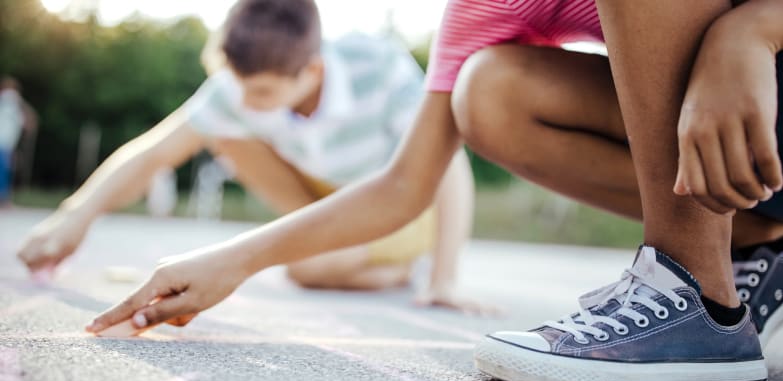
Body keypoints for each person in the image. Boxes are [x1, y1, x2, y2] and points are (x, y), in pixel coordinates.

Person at [78, 0, 783, 381]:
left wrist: (753, 27)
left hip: (777, 70)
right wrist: (235, 259)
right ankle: (763, 237)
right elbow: (403, 185)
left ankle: (695, 299)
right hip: (773, 149)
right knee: (489, 93)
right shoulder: (478, 8)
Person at [16, 0, 485, 312]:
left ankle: (398, 268)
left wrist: (445, 279)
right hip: (321, 193)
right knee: (224, 133)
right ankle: (331, 245)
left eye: (262, 92)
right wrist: (73, 216)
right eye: (239, 86)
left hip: (396, 199)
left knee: (307, 268)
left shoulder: (379, 66)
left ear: (313, 69)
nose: (244, 100)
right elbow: (153, 152)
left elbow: (449, 165)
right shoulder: (239, 87)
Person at [0, 76, 36, 206]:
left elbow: (23, 122)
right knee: (3, 171)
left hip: (6, 144)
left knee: (4, 170)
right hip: (3, 143)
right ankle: (3, 199)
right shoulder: (10, 97)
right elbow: (28, 117)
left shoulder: (9, 105)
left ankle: (4, 199)